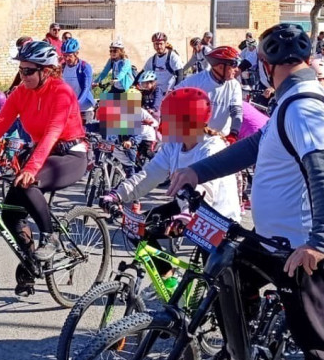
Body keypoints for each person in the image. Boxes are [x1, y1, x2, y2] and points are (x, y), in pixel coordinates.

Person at [171, 23, 324, 360]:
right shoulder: (289, 101)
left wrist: (320, 241)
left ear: (266, 65)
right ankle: (238, 351)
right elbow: (255, 146)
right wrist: (198, 171)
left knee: (316, 339)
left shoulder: (305, 107)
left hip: (302, 248)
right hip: (274, 238)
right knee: (227, 270)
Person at [0, 40, 87, 296]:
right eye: (21, 70)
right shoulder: (21, 93)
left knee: (28, 184)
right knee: (9, 214)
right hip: (41, 155)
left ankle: (50, 237)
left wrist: (31, 169)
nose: (22, 76)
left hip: (70, 154)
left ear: (46, 71)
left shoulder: (62, 92)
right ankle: (31, 263)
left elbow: (53, 133)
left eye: (28, 71)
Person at [100, 87, 240, 268]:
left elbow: (206, 188)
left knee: (212, 277)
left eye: (169, 118)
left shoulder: (212, 147)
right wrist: (118, 194)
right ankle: (168, 277)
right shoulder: (174, 145)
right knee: (135, 228)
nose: (163, 124)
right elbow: (148, 175)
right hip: (185, 208)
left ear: (188, 121)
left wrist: (186, 214)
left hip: (217, 217)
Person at [175, 46, 243, 140]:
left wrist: (233, 134)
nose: (237, 69)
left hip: (220, 138)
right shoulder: (195, 81)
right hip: (196, 138)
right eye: (234, 65)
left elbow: (236, 112)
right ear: (220, 67)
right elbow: (172, 98)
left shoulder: (234, 85)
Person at [60, 37, 95, 124]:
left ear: (76, 54)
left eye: (70, 56)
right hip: (68, 109)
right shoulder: (62, 67)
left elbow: (86, 88)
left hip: (84, 108)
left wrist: (76, 104)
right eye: (64, 55)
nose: (67, 58)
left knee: (85, 132)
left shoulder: (84, 67)